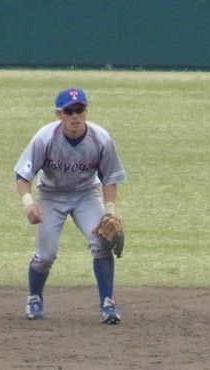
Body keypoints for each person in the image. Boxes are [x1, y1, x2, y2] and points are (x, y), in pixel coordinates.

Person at [15, 87, 127, 324]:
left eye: (80, 110)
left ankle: (107, 304)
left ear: (86, 111)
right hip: (51, 196)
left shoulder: (101, 139)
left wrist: (109, 210)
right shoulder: (45, 138)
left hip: (86, 195)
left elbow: (110, 178)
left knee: (101, 242)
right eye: (69, 111)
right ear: (59, 114)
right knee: (46, 255)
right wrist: (29, 204)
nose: (75, 116)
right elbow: (23, 177)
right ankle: (34, 298)